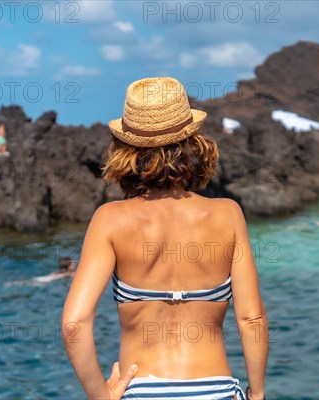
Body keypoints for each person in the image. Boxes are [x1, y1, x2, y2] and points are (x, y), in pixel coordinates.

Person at [62, 77, 268, 400]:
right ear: (192, 142)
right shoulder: (228, 215)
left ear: (126, 148)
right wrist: (257, 394)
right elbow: (251, 319)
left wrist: (100, 396)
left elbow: (74, 326)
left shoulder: (110, 220)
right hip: (215, 390)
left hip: (141, 389)